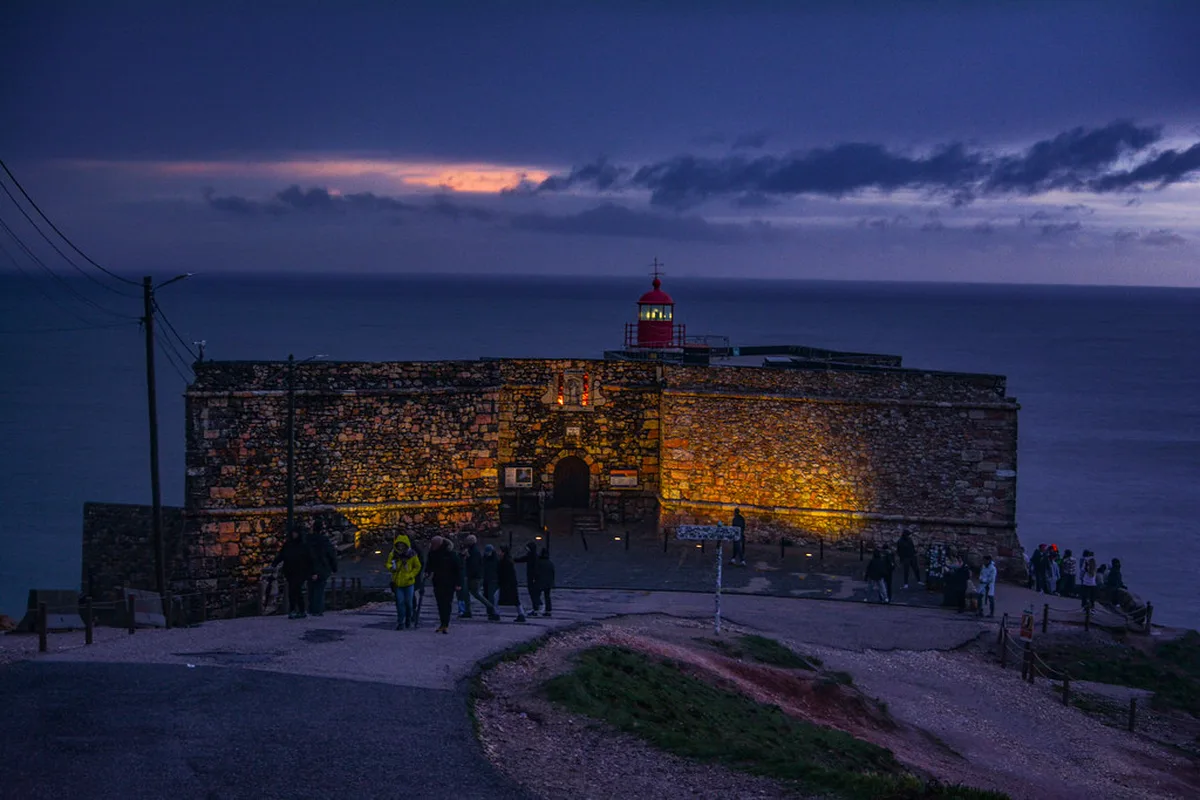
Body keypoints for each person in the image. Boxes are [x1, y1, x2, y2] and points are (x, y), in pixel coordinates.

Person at [272, 527, 314, 619]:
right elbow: (282, 555)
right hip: (290, 570)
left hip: (300, 571)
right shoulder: (288, 545)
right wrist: (275, 563)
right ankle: (297, 610)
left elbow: (309, 559)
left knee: (295, 589)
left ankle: (296, 610)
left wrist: (312, 571)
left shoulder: (303, 545)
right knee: (293, 590)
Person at [423, 535, 462, 634]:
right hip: (438, 581)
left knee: (447, 603)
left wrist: (458, 583)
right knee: (440, 603)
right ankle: (443, 623)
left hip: (449, 582)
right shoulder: (432, 553)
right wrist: (427, 572)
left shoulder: (450, 554)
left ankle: (445, 624)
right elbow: (429, 564)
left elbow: (458, 569)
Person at [386, 533, 422, 630]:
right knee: (400, 603)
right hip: (398, 582)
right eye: (399, 545)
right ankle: (401, 622)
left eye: (402, 545)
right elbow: (388, 564)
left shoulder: (412, 554)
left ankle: (408, 619)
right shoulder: (393, 554)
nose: (400, 547)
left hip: (409, 582)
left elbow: (417, 566)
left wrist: (411, 575)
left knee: (409, 603)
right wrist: (392, 568)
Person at [306, 519, 338, 616]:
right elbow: (331, 555)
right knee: (319, 589)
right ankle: (317, 610)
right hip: (322, 568)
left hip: (309, 567)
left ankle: (311, 609)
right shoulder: (325, 541)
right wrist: (334, 567)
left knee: (311, 588)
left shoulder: (307, 540)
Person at [461, 534, 496, 619]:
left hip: (473, 576)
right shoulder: (474, 551)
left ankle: (489, 607)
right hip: (475, 576)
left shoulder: (473, 552)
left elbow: (473, 565)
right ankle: (469, 610)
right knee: (473, 593)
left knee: (473, 593)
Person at [497, 545, 528, 623]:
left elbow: (504, 573)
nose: (499, 552)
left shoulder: (505, 561)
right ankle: (521, 614)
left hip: (508, 583)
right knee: (515, 600)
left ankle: (495, 613)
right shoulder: (508, 560)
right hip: (510, 583)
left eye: (500, 551)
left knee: (497, 598)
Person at [513, 541, 541, 616]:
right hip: (532, 577)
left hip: (532, 577)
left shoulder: (532, 556)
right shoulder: (533, 556)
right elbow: (523, 559)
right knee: (533, 592)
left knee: (532, 592)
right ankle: (536, 607)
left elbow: (523, 559)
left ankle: (536, 608)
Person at [482, 544, 502, 622]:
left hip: (493, 580)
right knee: (488, 596)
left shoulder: (493, 559)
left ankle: (493, 612)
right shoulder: (492, 559)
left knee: (491, 597)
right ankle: (491, 612)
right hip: (488, 579)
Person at [536, 547, 556, 617]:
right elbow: (552, 573)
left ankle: (536, 608)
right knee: (547, 596)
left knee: (537, 595)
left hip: (540, 581)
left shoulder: (539, 562)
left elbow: (536, 572)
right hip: (548, 582)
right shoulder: (550, 563)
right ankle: (548, 610)